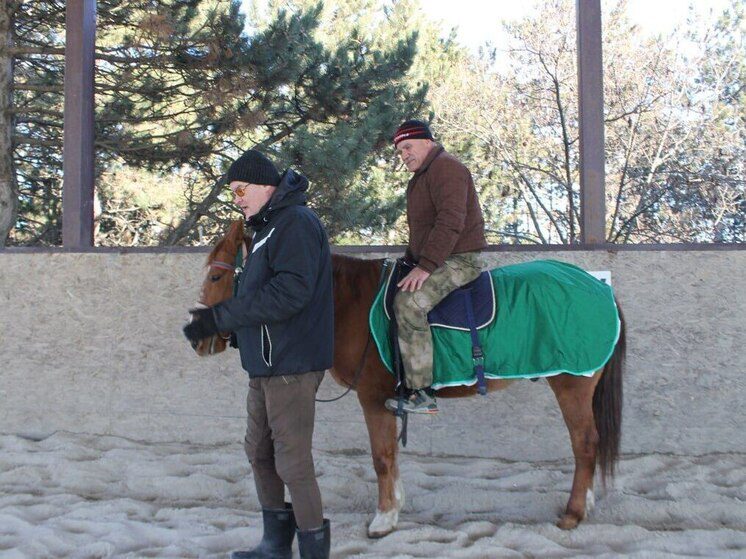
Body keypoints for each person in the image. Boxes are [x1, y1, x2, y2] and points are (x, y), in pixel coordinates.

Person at [183, 149, 333, 559]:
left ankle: (314, 550)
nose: (236, 198)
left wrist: (221, 316)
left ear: (266, 186)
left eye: (240, 189)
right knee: (259, 452)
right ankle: (274, 546)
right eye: (232, 191)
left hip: (292, 364)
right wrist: (228, 330)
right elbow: (258, 297)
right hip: (264, 363)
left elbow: (291, 293)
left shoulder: (296, 224)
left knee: (292, 460)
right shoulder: (265, 228)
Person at [384, 120, 488, 415]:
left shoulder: (447, 168)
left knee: (409, 303)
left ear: (427, 142)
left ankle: (422, 393)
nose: (403, 154)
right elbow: (422, 231)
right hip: (437, 258)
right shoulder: (421, 177)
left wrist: (425, 266)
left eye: (408, 147)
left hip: (460, 260)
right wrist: (408, 262)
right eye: (399, 150)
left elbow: (450, 221)